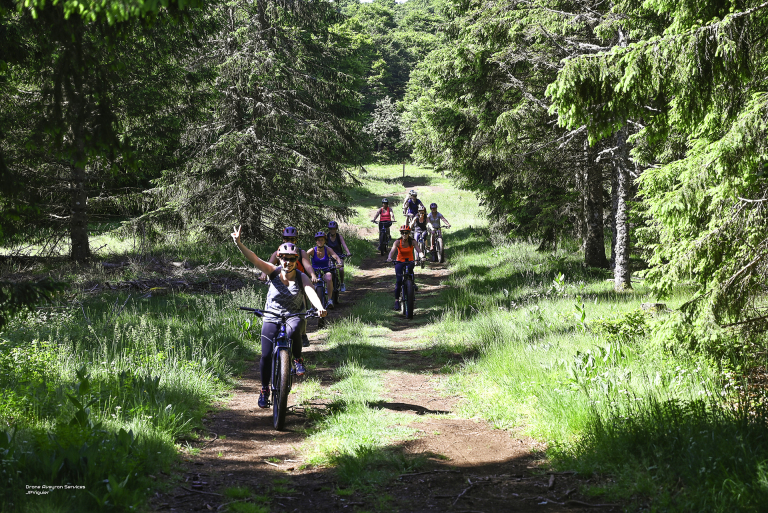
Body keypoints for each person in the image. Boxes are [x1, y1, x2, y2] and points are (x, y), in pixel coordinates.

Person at [231, 227, 327, 409]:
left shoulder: (301, 277)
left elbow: (310, 292)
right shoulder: (272, 271)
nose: (287, 262)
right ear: (279, 258)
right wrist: (238, 243)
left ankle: (297, 359)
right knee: (266, 355)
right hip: (271, 315)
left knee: (295, 330)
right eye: (284, 258)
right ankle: (265, 389)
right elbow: (254, 258)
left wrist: (319, 306)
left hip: (294, 314)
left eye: (291, 259)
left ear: (296, 260)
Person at [262, 226, 317, 347]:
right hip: (281, 282)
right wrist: (263, 275)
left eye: (292, 239)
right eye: (287, 239)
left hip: (298, 283)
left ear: (296, 240)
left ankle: (302, 334)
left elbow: (307, 265)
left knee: (301, 305)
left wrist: (312, 274)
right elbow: (269, 265)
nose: (289, 241)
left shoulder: (301, 253)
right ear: (283, 239)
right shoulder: (279, 252)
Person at [386, 225, 422, 311]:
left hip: (410, 261)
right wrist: (389, 258)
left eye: (406, 233)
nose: (404, 234)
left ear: (409, 233)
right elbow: (392, 251)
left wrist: (422, 256)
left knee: (410, 271)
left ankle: (412, 283)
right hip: (399, 262)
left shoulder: (413, 241)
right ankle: (396, 301)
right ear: (401, 233)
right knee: (398, 281)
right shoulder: (397, 242)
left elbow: (419, 250)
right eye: (402, 233)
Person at [306, 231, 344, 310]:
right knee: (310, 283)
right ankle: (312, 306)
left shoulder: (328, 249)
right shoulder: (312, 250)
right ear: (316, 241)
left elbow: (336, 256)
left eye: (322, 240)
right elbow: (304, 257)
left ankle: (330, 300)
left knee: (329, 277)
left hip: (326, 270)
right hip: (315, 272)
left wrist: (339, 263)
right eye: (318, 240)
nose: (320, 241)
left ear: (325, 241)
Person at [326, 221, 352, 292]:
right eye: (331, 229)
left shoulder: (339, 237)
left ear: (336, 229)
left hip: (339, 255)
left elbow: (344, 245)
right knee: (328, 269)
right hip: (330, 256)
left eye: (334, 229)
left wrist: (348, 252)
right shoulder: (327, 237)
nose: (332, 230)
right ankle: (327, 286)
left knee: (341, 269)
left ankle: (342, 283)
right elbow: (323, 246)